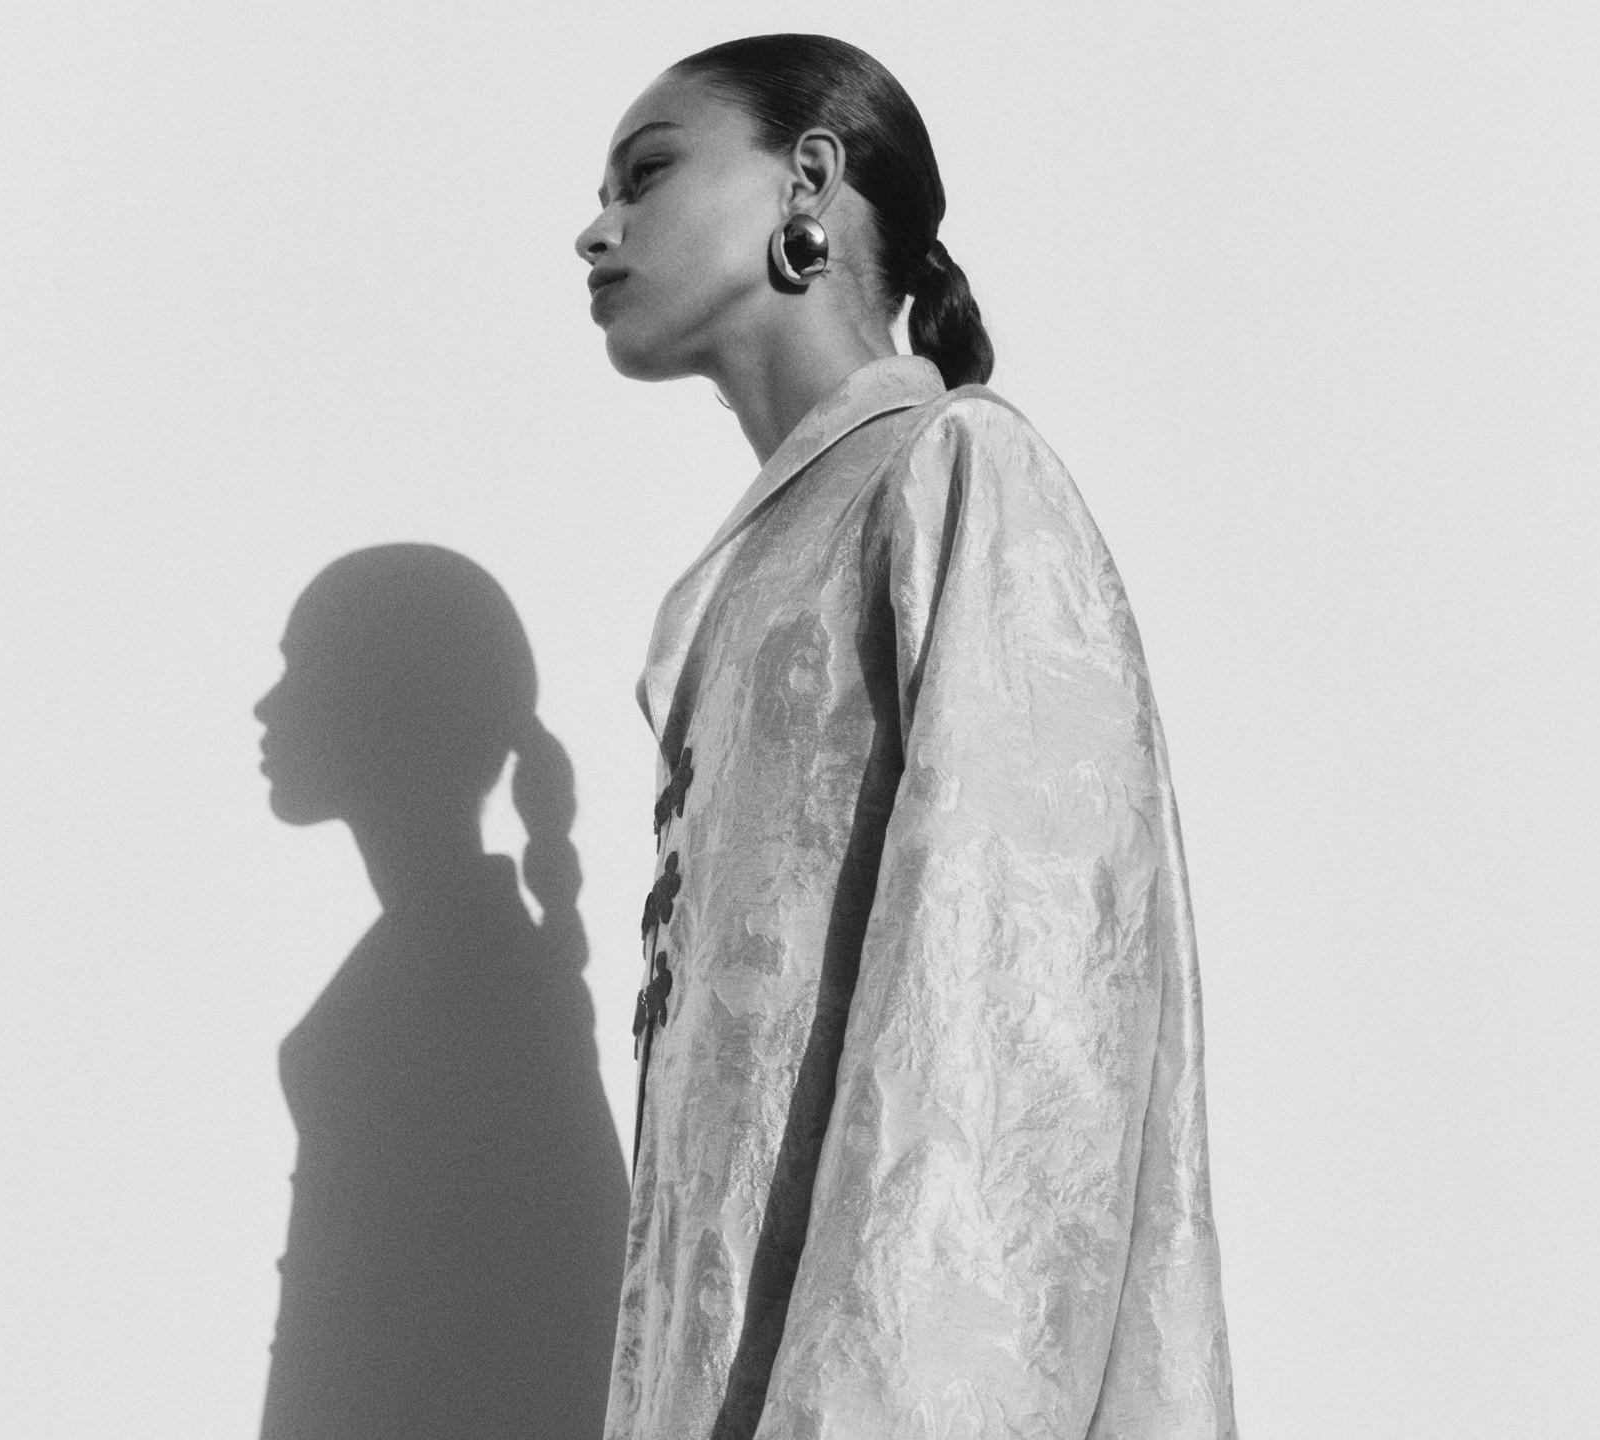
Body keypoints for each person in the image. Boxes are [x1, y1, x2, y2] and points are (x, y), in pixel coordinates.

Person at [574, 34, 1235, 1440]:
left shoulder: (954, 471)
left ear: (809, 177)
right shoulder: (758, 570)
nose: (598, 227)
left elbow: (1013, 1031)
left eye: (647, 174)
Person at [253, 544, 629, 1439]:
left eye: (302, 669)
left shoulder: (473, 977)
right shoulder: (472, 959)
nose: (267, 706)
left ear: (386, 700)